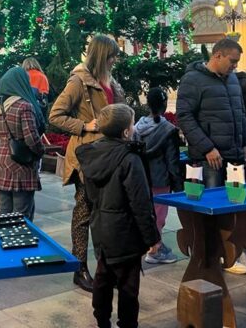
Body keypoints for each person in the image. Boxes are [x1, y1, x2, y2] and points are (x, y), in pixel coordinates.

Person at [49, 34, 125, 292]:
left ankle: (106, 267)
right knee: (83, 213)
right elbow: (55, 115)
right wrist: (84, 125)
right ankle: (80, 268)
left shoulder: (110, 81)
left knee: (106, 215)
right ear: (103, 56)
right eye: (113, 55)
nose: (116, 59)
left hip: (111, 155)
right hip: (89, 158)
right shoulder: (79, 81)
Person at [76, 104, 159, 328]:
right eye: (132, 125)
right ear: (125, 132)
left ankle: (102, 320)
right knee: (128, 286)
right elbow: (140, 203)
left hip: (101, 228)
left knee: (103, 277)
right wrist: (152, 237)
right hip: (126, 233)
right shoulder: (130, 159)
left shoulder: (92, 154)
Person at [176, 38, 246, 274]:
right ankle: (208, 256)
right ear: (217, 55)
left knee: (233, 206)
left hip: (234, 155)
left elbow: (240, 114)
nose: (235, 67)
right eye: (232, 61)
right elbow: (185, 117)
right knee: (209, 209)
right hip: (209, 158)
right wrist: (207, 147)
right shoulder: (193, 80)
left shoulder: (231, 80)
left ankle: (228, 255)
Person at [133, 87, 181, 265]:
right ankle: (155, 249)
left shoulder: (137, 127)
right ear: (164, 105)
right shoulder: (168, 130)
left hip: (141, 178)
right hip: (160, 179)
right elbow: (172, 160)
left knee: (145, 213)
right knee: (159, 216)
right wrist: (178, 185)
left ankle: (150, 244)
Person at [0, 67, 46, 221]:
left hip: (1, 161)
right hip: (20, 164)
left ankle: (4, 242)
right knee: (21, 215)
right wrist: (41, 151)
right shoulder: (24, 106)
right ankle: (20, 244)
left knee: (4, 212)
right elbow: (31, 139)